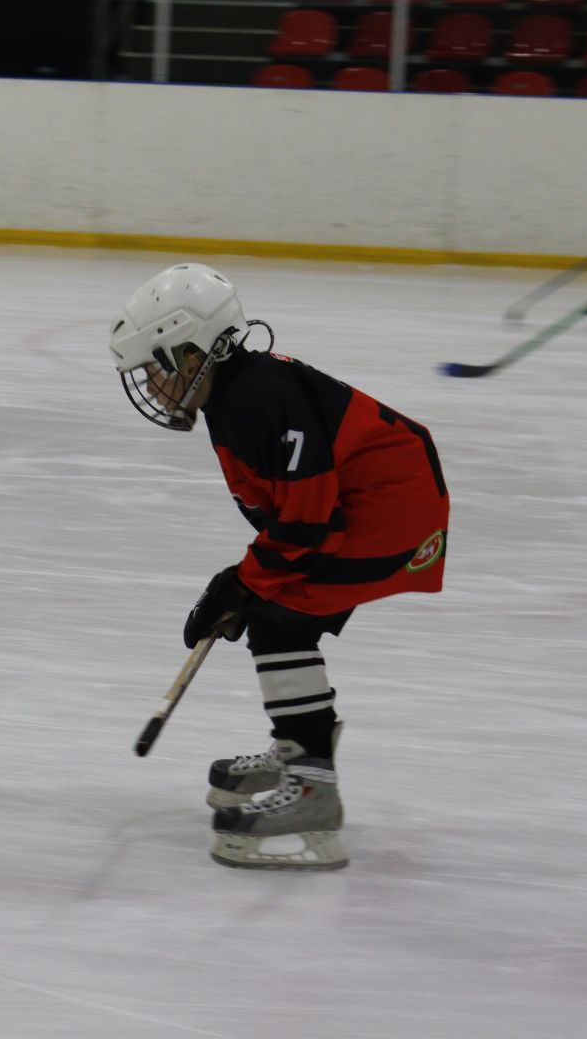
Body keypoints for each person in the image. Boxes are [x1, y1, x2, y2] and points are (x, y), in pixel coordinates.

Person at [108, 263, 450, 871]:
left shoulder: (254, 399)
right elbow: (292, 519)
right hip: (367, 507)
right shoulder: (232, 397)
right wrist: (245, 583)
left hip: (389, 511)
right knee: (280, 613)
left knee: (279, 622)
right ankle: (301, 751)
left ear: (193, 354)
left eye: (157, 365)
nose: (153, 385)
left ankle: (312, 788)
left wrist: (240, 584)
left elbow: (308, 524)